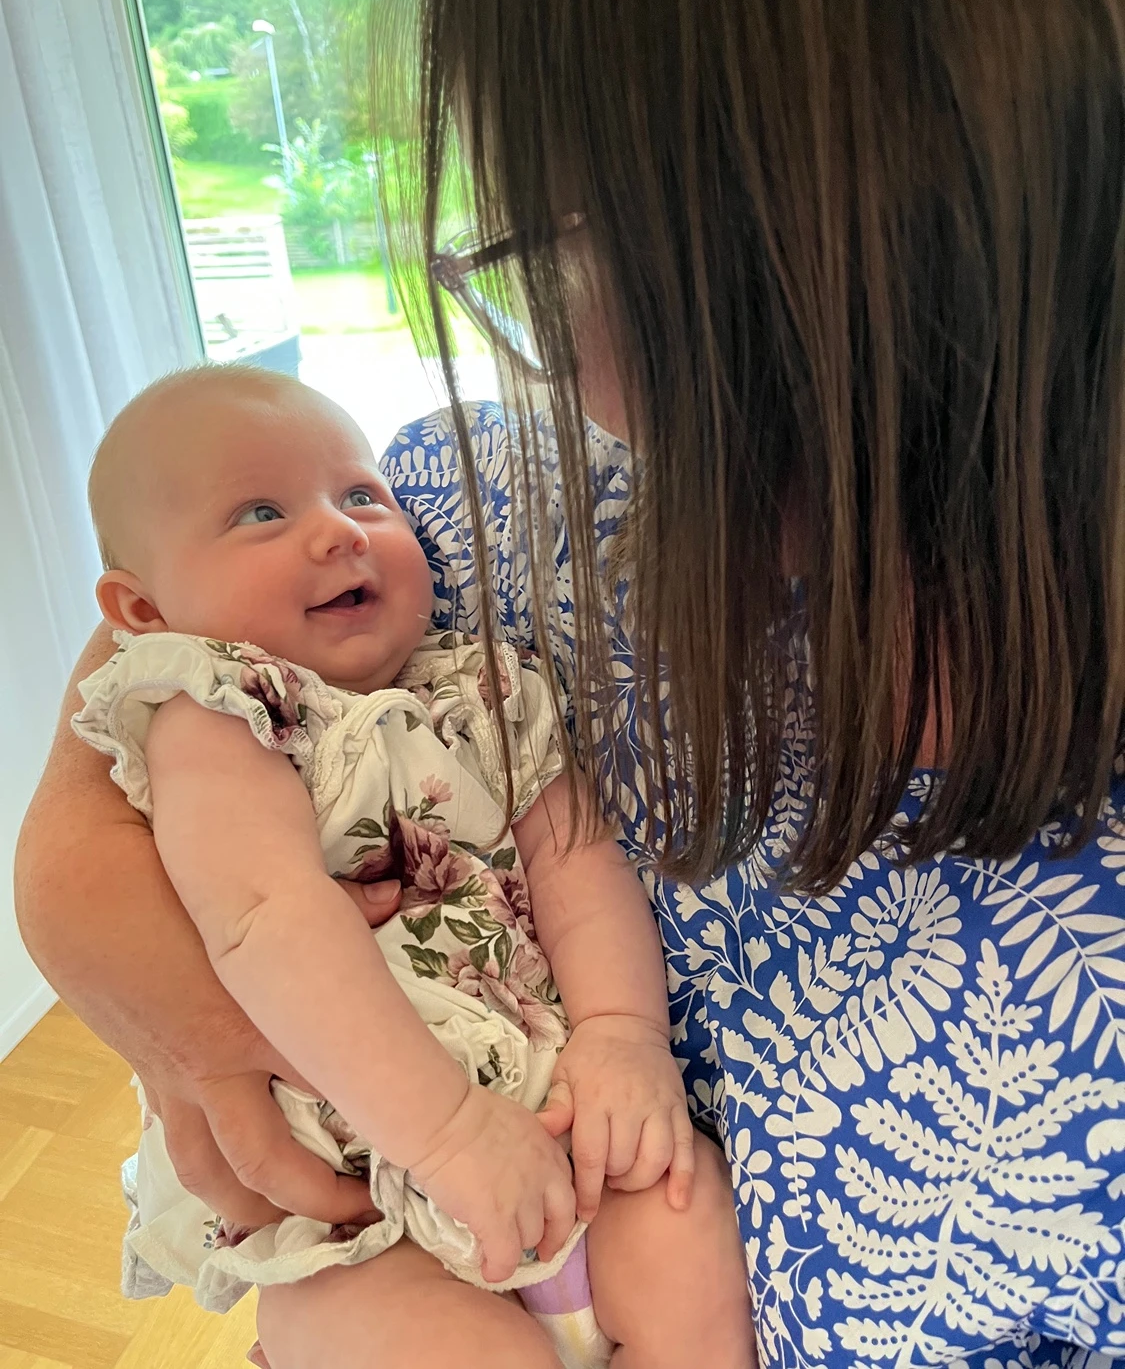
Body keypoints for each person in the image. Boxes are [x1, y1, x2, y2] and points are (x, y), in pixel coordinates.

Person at [16, 0, 1125, 1365]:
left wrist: (614, 1043)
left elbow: (566, 837)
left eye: (555, 251)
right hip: (391, 1207)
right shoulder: (460, 517)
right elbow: (146, 703)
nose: (338, 533)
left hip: (585, 1161)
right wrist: (141, 971)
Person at [64, 364, 751, 1369]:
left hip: (558, 1124)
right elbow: (264, 918)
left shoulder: (483, 682)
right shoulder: (219, 710)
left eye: (360, 496)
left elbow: (574, 858)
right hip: (365, 1196)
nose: (336, 531)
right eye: (261, 513)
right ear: (141, 609)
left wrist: (622, 1033)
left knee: (686, 1220)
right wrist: (449, 1136)